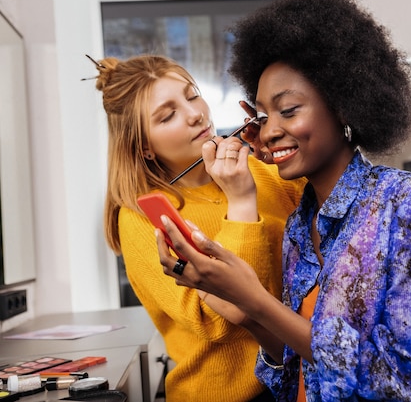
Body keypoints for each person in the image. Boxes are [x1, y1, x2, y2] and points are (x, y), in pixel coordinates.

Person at [155, 0, 411, 401]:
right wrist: (246, 313)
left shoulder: (406, 202)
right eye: (263, 115)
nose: (271, 129)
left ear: (344, 105)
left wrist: (257, 301)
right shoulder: (299, 227)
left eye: (289, 110)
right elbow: (298, 369)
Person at [92, 54, 305, 402]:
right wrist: (240, 201)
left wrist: (289, 154)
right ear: (144, 146)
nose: (195, 114)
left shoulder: (264, 171)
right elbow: (218, 321)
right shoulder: (141, 218)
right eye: (168, 115)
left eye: (192, 95)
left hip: (308, 380)